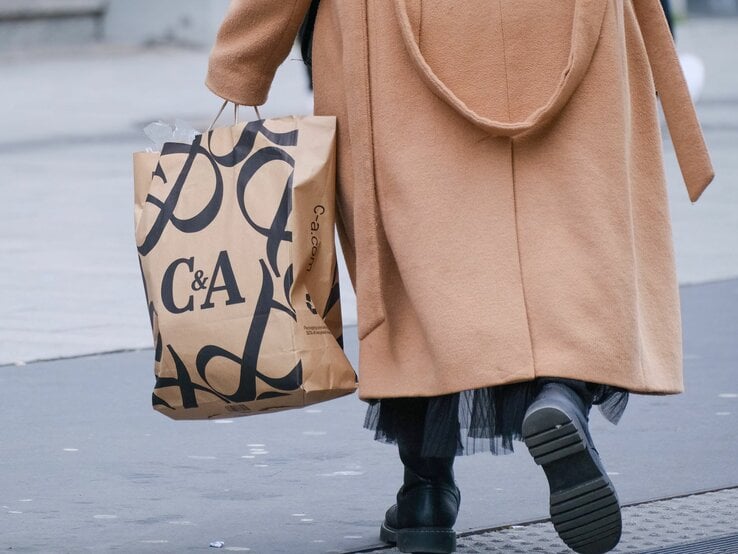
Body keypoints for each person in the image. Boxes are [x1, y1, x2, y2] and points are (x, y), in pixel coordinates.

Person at [206, 1, 714, 553]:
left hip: (402, 31)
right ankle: (562, 393)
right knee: (573, 231)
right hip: (565, 22)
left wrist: (245, 56)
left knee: (422, 265)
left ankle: (426, 493)